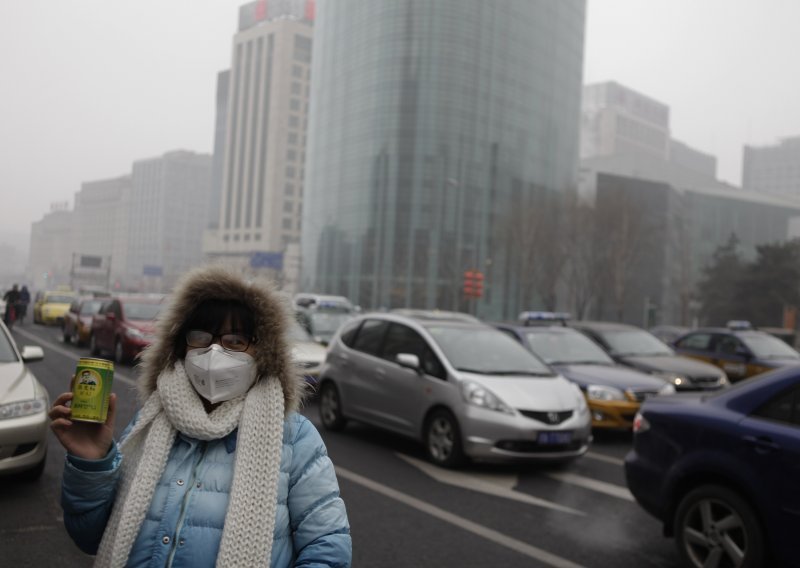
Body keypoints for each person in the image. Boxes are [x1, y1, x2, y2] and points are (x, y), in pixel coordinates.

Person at [49, 265, 352, 568]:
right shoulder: (151, 421)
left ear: (262, 352)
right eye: (201, 337)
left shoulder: (294, 437)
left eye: (235, 341)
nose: (214, 352)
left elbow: (327, 549)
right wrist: (92, 463)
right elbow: (91, 538)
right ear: (180, 345)